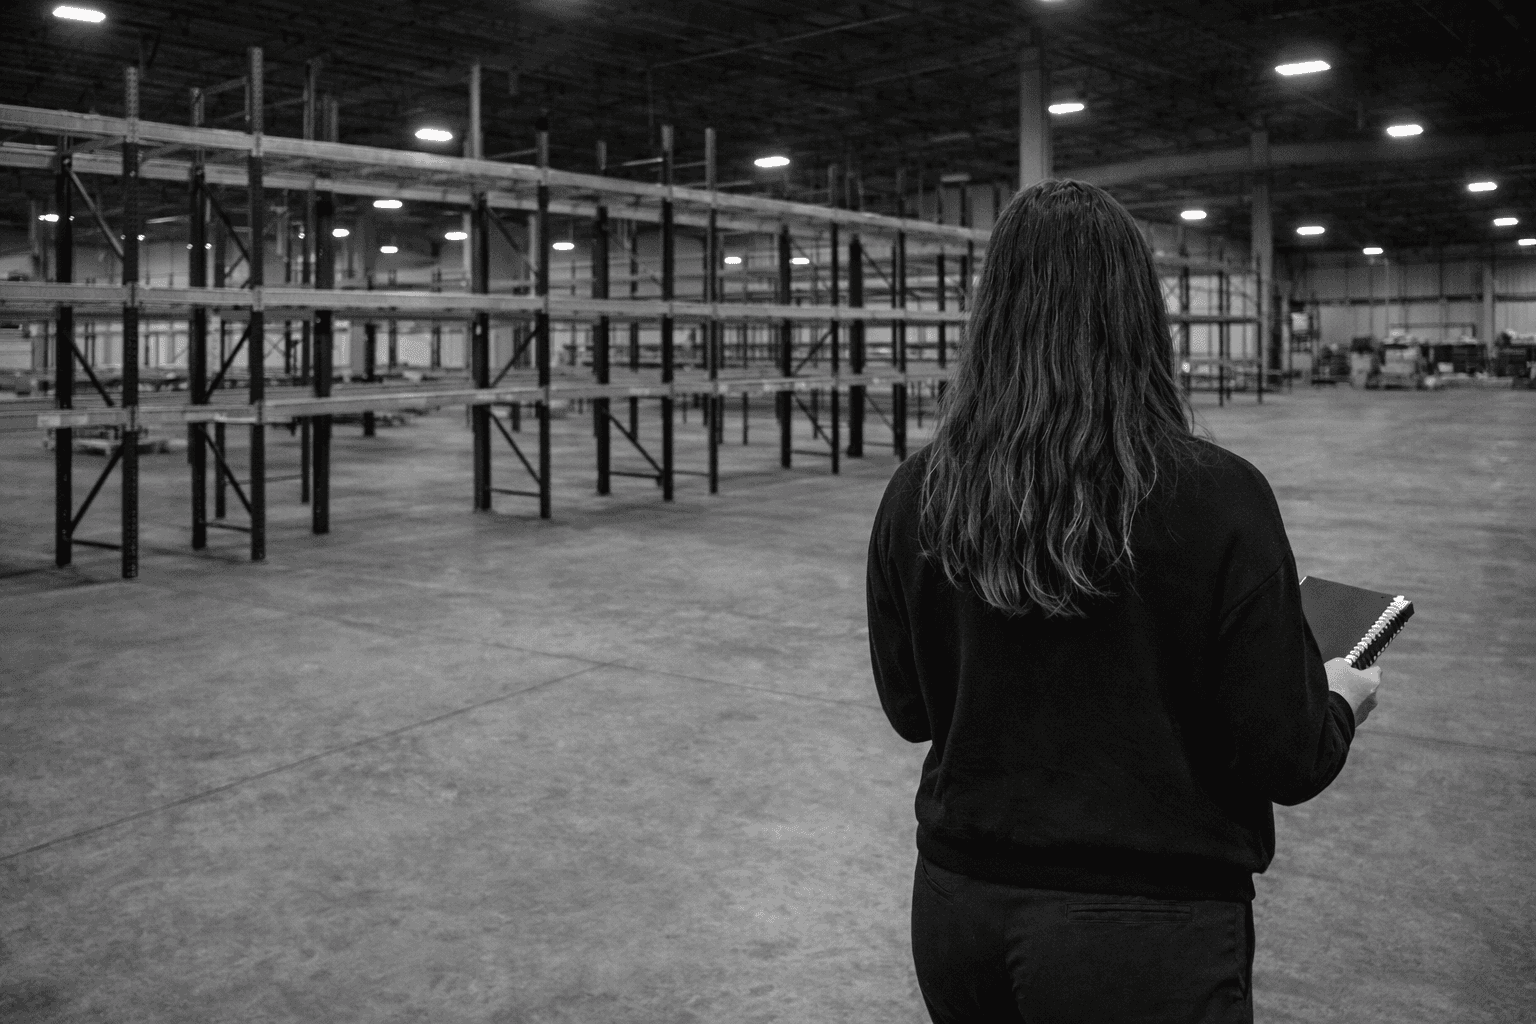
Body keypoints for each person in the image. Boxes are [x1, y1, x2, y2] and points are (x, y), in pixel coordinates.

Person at [866, 179, 1382, 1024]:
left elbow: (913, 710)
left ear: (989, 313)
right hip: (1148, 934)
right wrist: (1340, 699)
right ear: (1142, 315)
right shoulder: (1220, 497)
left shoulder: (919, 493)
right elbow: (1286, 756)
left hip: (960, 914)